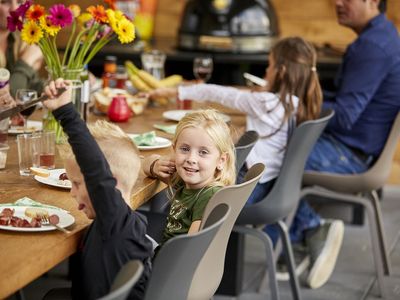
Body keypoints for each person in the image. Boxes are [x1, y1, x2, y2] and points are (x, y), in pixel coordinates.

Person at [283, 0, 400, 290]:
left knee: (273, 154)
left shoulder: (371, 46)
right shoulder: (382, 35)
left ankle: (310, 230)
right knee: (283, 140)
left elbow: (345, 116)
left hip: (350, 154)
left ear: (373, 2)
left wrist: (296, 106)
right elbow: (347, 100)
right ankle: (295, 243)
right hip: (362, 149)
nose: (338, 3)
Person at [42, 79, 153, 300]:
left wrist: (65, 111)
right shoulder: (128, 224)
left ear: (107, 183)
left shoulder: (115, 221)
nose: (72, 192)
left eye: (77, 183)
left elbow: (94, 167)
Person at [143, 109, 236, 247]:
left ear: (221, 160)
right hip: (166, 254)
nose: (191, 159)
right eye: (185, 149)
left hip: (169, 262)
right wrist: (155, 165)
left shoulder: (208, 195)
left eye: (203, 152)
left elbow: (190, 248)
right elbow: (145, 163)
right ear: (174, 150)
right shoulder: (186, 181)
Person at [0, 0, 44, 97]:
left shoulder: (17, 39)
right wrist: (26, 62)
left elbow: (30, 87)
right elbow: (7, 102)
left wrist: (51, 85)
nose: (14, 9)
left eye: (19, 2)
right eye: (5, 2)